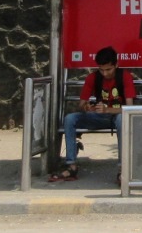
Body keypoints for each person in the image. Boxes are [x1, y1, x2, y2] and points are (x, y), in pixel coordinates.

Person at [49, 46, 134, 185]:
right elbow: (81, 104)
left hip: (118, 118)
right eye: (101, 70)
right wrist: (86, 107)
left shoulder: (125, 77)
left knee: (121, 120)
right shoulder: (93, 78)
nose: (105, 73)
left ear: (116, 65)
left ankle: (123, 169)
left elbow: (130, 109)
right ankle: (71, 166)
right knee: (70, 119)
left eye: (108, 69)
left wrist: (108, 110)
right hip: (99, 117)